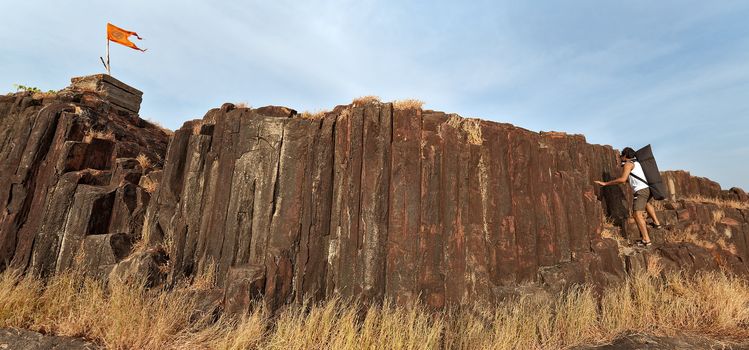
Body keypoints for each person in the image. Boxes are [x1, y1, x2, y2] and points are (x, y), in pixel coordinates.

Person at [595, 147, 662, 247]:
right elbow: (632, 178)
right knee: (647, 203)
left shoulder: (628, 164)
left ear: (625, 156)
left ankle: (646, 240)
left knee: (637, 215)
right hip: (648, 189)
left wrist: (605, 183)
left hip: (641, 191)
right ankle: (657, 223)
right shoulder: (638, 163)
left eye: (621, 155)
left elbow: (622, 180)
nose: (620, 157)